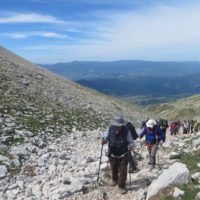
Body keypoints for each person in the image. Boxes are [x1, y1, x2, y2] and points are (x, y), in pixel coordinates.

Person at [101, 116, 135, 194]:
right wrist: (104, 140)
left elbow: (131, 141)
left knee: (123, 170)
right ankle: (114, 180)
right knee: (114, 168)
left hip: (123, 153)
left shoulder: (126, 130)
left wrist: (130, 147)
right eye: (116, 125)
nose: (117, 127)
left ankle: (121, 186)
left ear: (122, 125)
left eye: (119, 125)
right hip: (112, 152)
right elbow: (106, 137)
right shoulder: (110, 128)